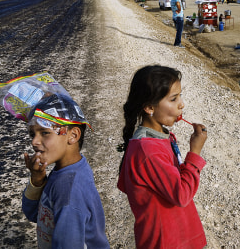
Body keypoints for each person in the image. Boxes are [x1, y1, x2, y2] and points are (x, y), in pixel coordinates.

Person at [117, 65, 208, 249]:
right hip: (166, 241)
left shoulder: (157, 138)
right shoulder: (147, 150)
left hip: (177, 236)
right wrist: (195, 153)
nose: (181, 104)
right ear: (150, 107)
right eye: (173, 99)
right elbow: (182, 195)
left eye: (180, 95)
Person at [22, 94, 109, 248]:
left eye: (44, 132)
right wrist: (37, 180)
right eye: (32, 134)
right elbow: (36, 214)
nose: (34, 141)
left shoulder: (68, 189)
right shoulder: (68, 170)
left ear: (73, 135)